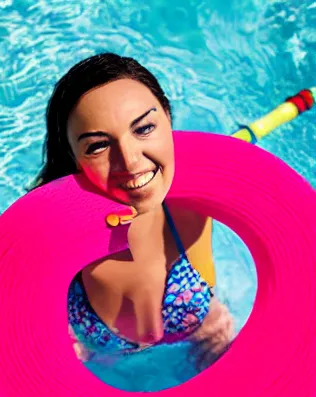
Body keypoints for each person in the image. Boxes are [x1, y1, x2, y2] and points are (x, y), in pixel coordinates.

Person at [29, 53, 235, 369]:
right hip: (102, 364)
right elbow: (22, 306)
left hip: (199, 338)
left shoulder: (202, 198)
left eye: (144, 128)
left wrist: (215, 322)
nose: (130, 161)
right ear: (73, 158)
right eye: (98, 146)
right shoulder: (52, 231)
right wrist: (61, 342)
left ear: (168, 118)